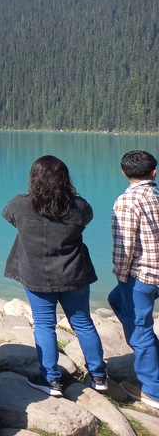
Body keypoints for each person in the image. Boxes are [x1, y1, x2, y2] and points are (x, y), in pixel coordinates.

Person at [3, 155, 107, 397]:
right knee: (83, 323)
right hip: (74, 274)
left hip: (37, 276)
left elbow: (9, 217)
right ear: (65, 178)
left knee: (44, 325)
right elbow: (87, 220)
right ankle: (99, 375)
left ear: (33, 178)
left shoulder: (20, 204)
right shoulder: (80, 206)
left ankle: (50, 380)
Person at [109, 150, 159, 410]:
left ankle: (152, 391)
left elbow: (124, 246)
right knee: (115, 300)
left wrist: (120, 273)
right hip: (156, 273)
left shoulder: (127, 201)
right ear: (153, 172)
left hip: (141, 275)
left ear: (124, 172)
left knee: (140, 331)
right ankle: (151, 356)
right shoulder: (156, 194)